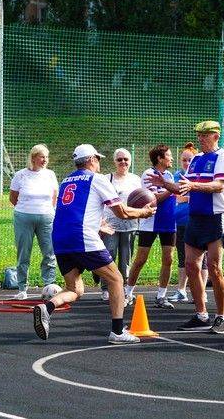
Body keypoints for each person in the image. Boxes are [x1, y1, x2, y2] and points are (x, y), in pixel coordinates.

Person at [33, 144, 154, 344]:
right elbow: (122, 213)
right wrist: (144, 212)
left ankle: (47, 308)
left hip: (61, 238)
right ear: (90, 160)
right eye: (97, 159)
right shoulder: (97, 179)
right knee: (116, 279)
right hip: (82, 237)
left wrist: (97, 223)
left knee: (75, 289)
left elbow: (75, 210)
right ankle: (117, 331)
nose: (99, 162)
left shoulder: (66, 180)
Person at [147, 120, 224, 334]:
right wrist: (165, 184)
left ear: (215, 135)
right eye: (198, 135)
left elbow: (219, 185)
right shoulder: (195, 160)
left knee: (214, 268)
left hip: (215, 217)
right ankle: (201, 313)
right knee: (190, 265)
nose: (200, 138)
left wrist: (193, 185)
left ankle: (221, 317)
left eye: (204, 135)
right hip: (195, 217)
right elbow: (183, 188)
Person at [124, 144, 176, 310]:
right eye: (168, 155)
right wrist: (171, 189)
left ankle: (161, 296)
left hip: (168, 221)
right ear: (160, 158)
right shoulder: (148, 174)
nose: (172, 158)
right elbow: (154, 199)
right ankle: (127, 293)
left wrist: (172, 186)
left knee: (168, 259)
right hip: (150, 222)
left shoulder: (169, 175)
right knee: (140, 260)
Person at [9, 144, 58, 300]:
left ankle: (49, 286)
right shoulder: (20, 175)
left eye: (46, 157)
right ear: (33, 157)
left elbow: (54, 197)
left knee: (49, 252)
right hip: (24, 217)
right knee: (24, 253)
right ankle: (22, 288)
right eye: (42, 156)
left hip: (46, 217)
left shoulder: (50, 175)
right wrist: (27, 209)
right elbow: (13, 197)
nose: (45, 160)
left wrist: (46, 210)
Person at [167, 143, 208, 304]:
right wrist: (192, 194)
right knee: (182, 257)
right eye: (183, 160)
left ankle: (202, 292)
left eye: (189, 160)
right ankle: (181, 290)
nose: (186, 163)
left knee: (201, 258)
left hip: (197, 219)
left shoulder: (200, 175)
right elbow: (177, 196)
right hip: (181, 220)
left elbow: (191, 194)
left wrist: (190, 194)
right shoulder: (178, 175)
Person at [98, 148, 140, 301]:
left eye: (126, 159)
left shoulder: (136, 179)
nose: (123, 162)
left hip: (130, 225)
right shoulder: (106, 178)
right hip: (110, 224)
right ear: (114, 162)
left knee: (125, 260)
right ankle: (105, 288)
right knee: (108, 256)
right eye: (119, 159)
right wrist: (100, 221)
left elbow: (142, 200)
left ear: (130, 161)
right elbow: (99, 201)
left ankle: (122, 289)